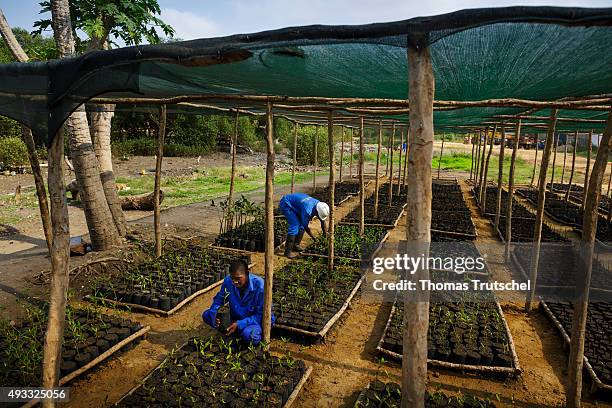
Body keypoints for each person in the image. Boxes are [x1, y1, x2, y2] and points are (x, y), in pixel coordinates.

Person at [201, 259, 273, 345]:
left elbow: (262, 315)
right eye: (232, 278)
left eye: (238, 278)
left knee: (249, 335)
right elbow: (218, 301)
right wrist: (215, 314)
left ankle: (244, 334)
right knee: (206, 314)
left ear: (247, 273)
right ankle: (234, 331)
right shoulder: (228, 281)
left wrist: (240, 324)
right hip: (236, 317)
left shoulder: (260, 286)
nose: (235, 282)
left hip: (254, 321)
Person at [279, 192, 329, 259]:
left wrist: (325, 235)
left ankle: (296, 245)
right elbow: (306, 227)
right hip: (287, 204)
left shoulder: (319, 205)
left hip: (298, 204)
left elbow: (322, 220)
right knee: (295, 225)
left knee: (301, 225)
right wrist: (314, 238)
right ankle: (288, 252)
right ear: (317, 212)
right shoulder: (307, 210)